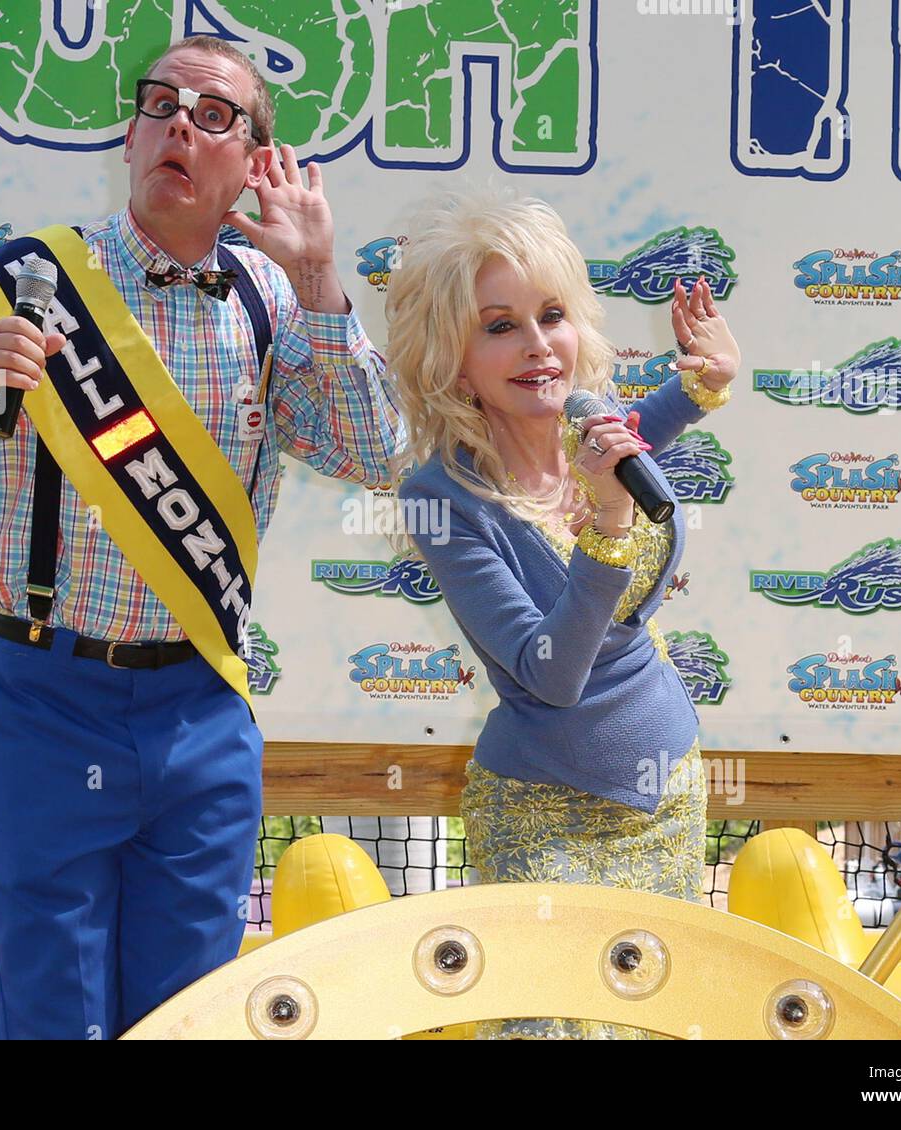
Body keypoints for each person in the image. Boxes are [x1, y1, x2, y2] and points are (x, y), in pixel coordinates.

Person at [0, 35, 400, 1040]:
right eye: (160, 103)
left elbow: (376, 451)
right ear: (134, 136)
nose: (180, 121)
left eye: (215, 113)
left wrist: (320, 278)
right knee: (54, 1016)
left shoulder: (277, 302)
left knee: (191, 1018)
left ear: (253, 166)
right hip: (41, 706)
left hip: (201, 705)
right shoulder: (18, 280)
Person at [388, 188, 741, 1038]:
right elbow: (550, 677)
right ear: (451, 356)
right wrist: (608, 533)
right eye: (499, 325)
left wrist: (706, 386)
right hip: (546, 813)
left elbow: (643, 429)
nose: (539, 346)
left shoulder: (592, 424)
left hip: (667, 791)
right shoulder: (443, 498)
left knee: (657, 1024)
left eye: (552, 315)